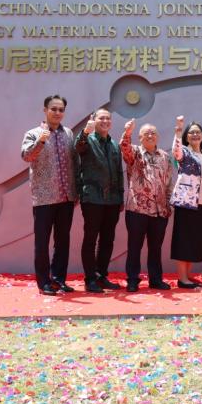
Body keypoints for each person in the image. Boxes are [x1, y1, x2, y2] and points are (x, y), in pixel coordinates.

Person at [21, 95, 78, 296]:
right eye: (53, 109)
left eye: (61, 109)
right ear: (45, 110)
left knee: (63, 241)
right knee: (42, 242)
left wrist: (75, 191)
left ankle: (59, 279)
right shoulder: (33, 133)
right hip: (44, 197)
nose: (57, 113)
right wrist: (41, 141)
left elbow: (74, 163)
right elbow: (27, 156)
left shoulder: (69, 134)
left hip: (66, 197)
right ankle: (44, 282)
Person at [120, 119, 175, 292]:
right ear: (140, 137)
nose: (150, 135)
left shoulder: (165, 156)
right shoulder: (135, 153)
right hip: (137, 209)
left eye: (153, 133)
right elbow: (124, 147)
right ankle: (132, 280)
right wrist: (127, 132)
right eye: (146, 133)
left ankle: (156, 279)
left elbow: (168, 182)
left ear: (157, 137)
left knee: (155, 248)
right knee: (134, 246)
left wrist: (168, 204)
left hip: (160, 210)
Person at [75, 109, 124, 293]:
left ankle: (101, 276)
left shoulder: (114, 144)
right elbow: (78, 147)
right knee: (90, 239)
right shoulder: (88, 139)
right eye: (101, 118)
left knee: (107, 240)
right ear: (94, 120)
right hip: (92, 198)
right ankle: (90, 279)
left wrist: (120, 195)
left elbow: (119, 172)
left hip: (112, 199)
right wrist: (85, 131)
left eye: (108, 118)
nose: (105, 121)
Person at [170, 116, 202, 289]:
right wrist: (178, 130)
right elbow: (176, 150)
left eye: (198, 132)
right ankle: (182, 279)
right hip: (186, 203)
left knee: (194, 241)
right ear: (186, 137)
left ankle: (187, 276)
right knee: (184, 240)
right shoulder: (184, 152)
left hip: (201, 204)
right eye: (191, 132)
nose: (195, 135)